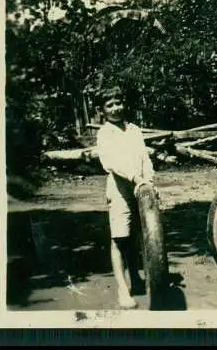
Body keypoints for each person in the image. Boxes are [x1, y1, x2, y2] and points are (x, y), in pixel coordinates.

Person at [95, 84, 155, 309]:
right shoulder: (104, 133)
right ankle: (123, 289)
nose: (115, 108)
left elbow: (144, 158)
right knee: (120, 239)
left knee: (137, 236)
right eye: (109, 105)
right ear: (102, 111)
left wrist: (148, 180)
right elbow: (111, 163)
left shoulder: (134, 130)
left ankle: (137, 279)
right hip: (120, 190)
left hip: (140, 187)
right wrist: (134, 178)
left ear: (124, 103)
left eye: (118, 103)